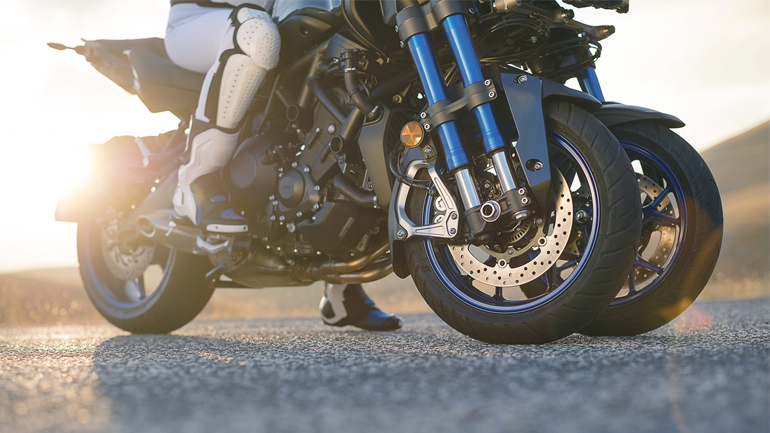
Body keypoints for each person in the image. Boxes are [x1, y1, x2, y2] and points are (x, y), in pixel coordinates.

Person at [164, 0, 402, 331]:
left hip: (284, 8)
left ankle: (342, 287)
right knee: (256, 35)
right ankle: (198, 180)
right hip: (201, 16)